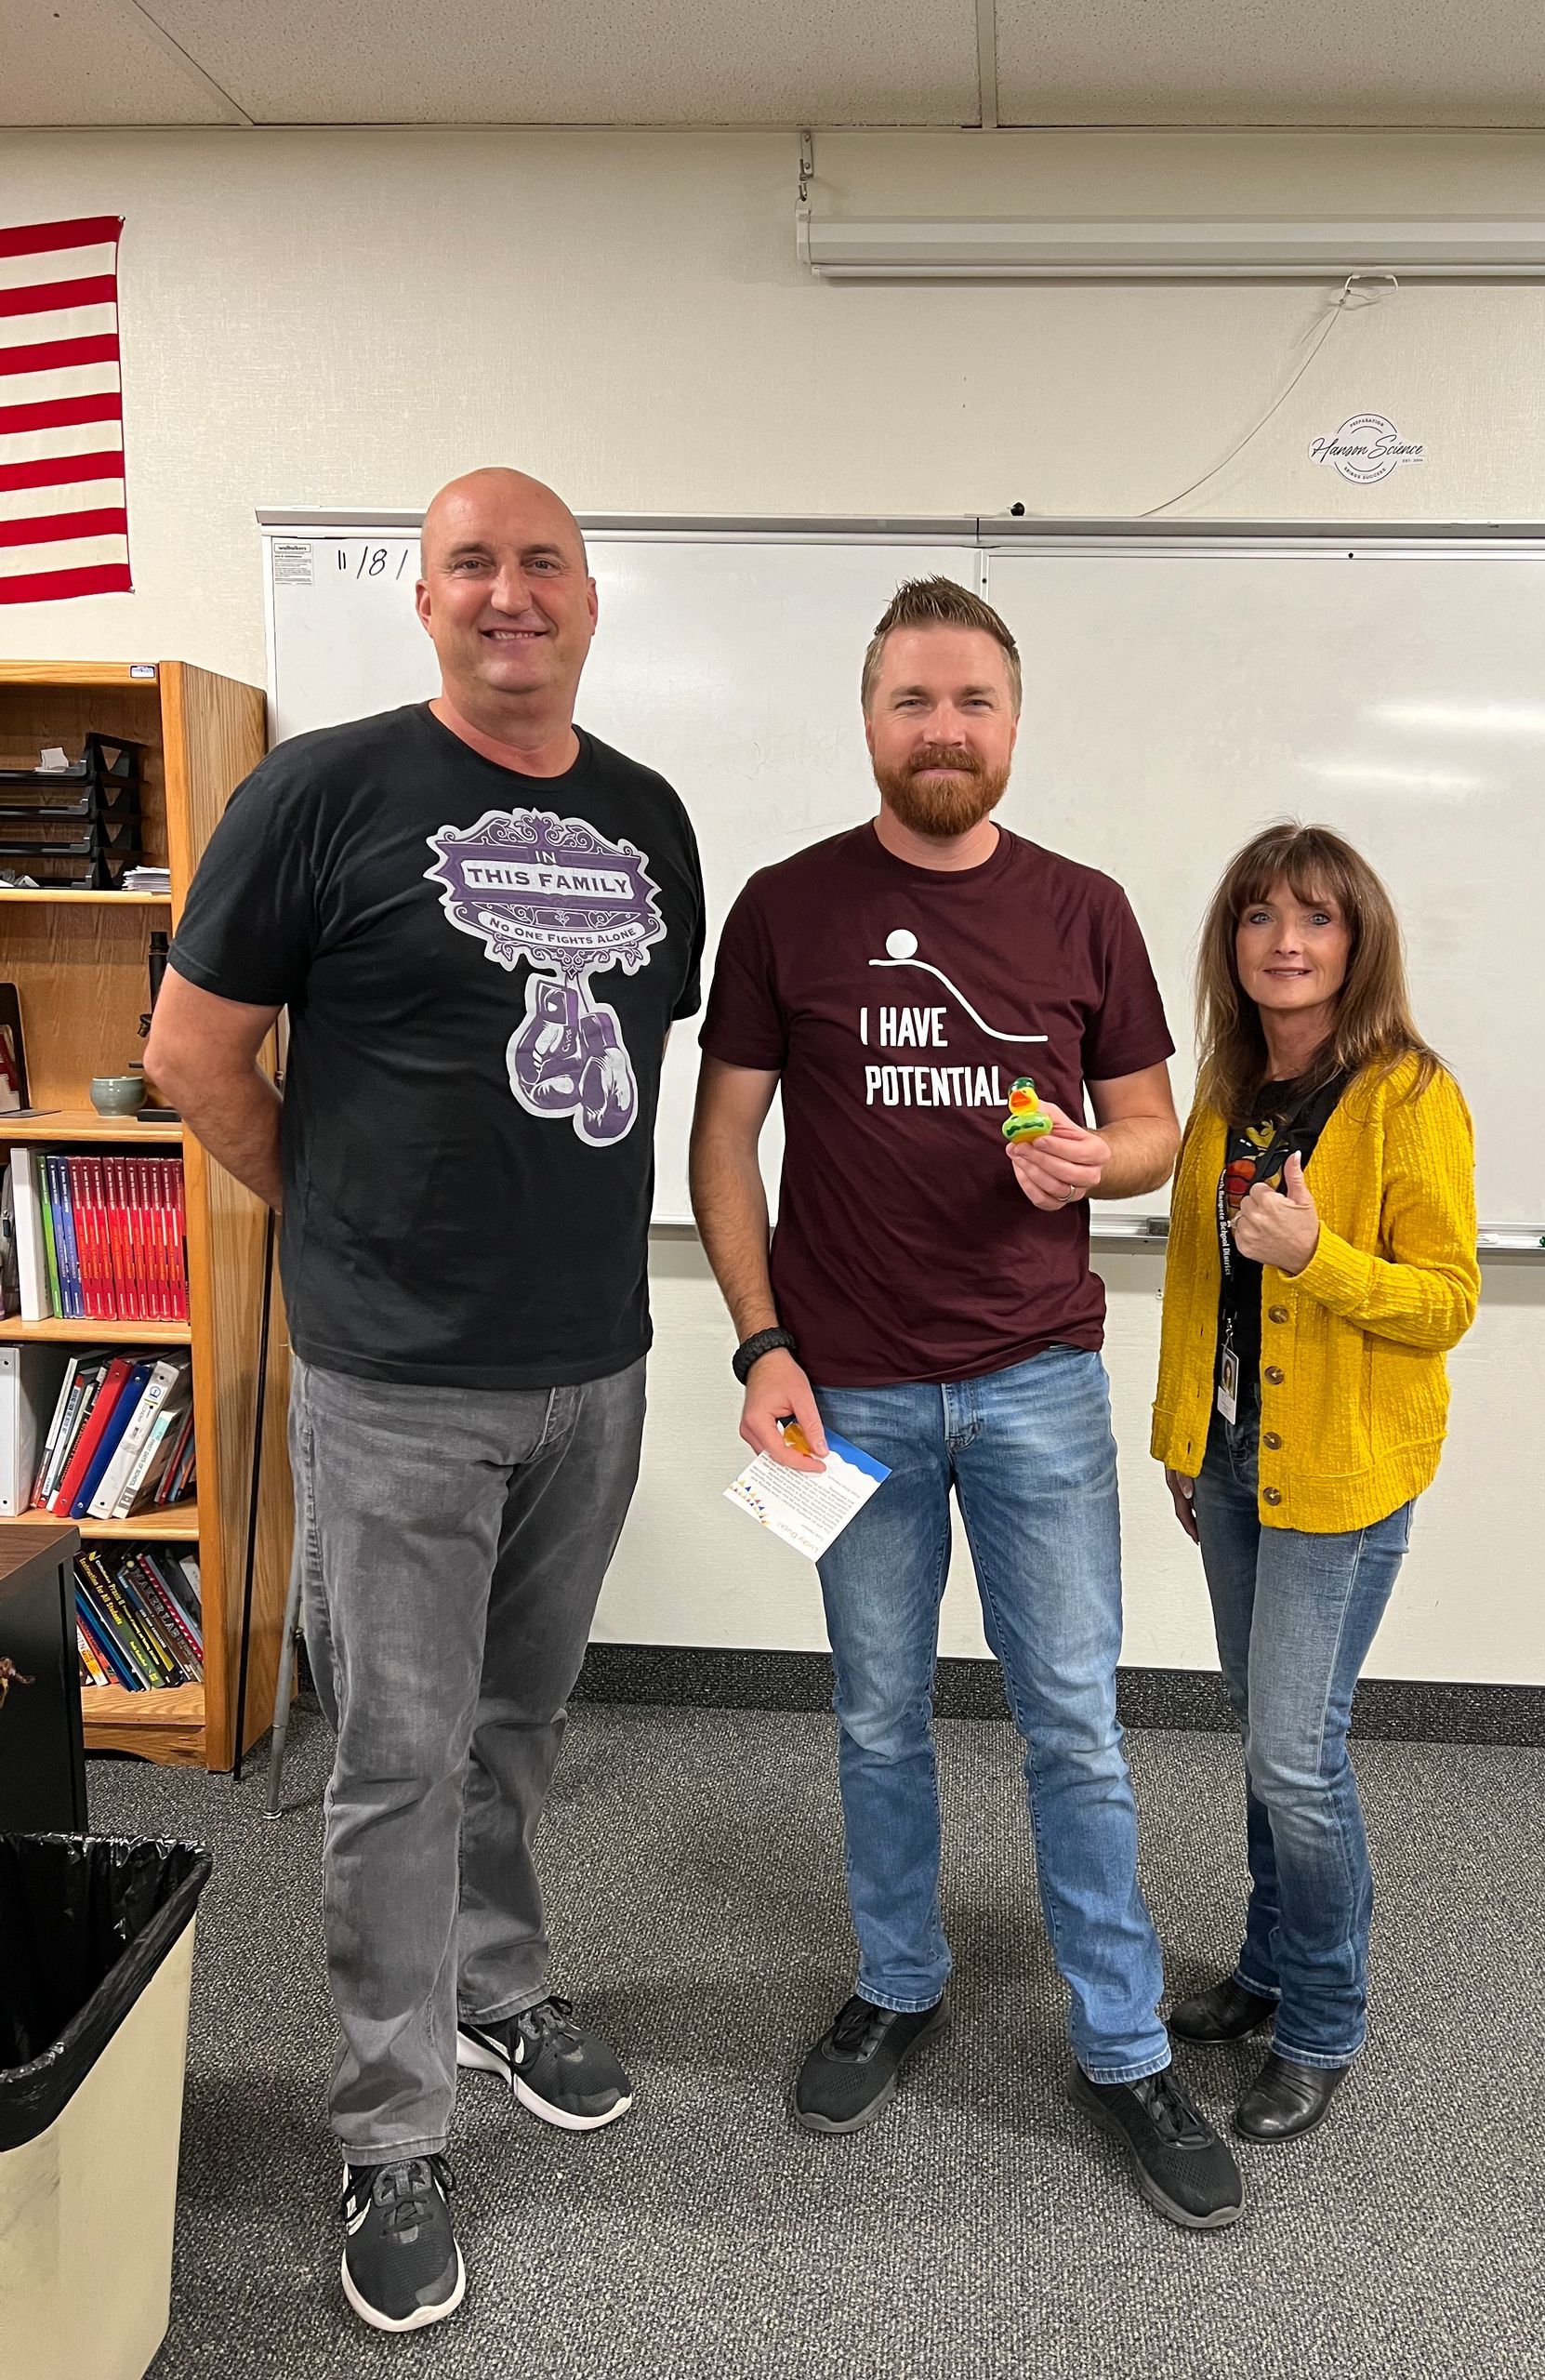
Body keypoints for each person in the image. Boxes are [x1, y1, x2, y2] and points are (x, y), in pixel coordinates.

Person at [146, 469, 705, 2333]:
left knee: (519, 1714)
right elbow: (188, 1050)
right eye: (475, 561)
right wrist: (333, 1212)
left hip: (593, 1367)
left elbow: (622, 1062)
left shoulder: (647, 819)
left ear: (590, 595)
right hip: (395, 1382)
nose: (512, 592)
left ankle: (492, 1977)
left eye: (545, 559)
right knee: (395, 1757)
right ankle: (389, 2129)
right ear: (427, 598)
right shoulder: (323, 791)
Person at [690, 576, 1245, 2232]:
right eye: (915, 701)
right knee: (877, 1716)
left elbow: (1155, 1130)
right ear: (870, 720)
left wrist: (1105, 1159)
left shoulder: (1084, 909)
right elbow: (723, 1146)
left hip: (1035, 1385)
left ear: (1015, 723)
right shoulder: (788, 907)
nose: (945, 730)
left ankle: (1126, 2042)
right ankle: (901, 1979)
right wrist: (758, 1342)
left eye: (973, 703)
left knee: (1072, 1718)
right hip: (842, 1388)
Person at [1153, 824, 1478, 2142]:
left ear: (1359, 942)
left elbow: (1445, 1301)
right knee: (1261, 1732)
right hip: (1237, 1462)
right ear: (1232, 941)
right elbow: (1194, 1286)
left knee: (1298, 1750)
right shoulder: (1227, 1089)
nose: (1287, 941)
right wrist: (1185, 1439)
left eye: (1318, 918)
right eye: (1259, 914)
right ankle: (1269, 1963)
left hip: (1343, 1474)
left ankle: (1326, 2019)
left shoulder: (1409, 1095)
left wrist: (1318, 1255)